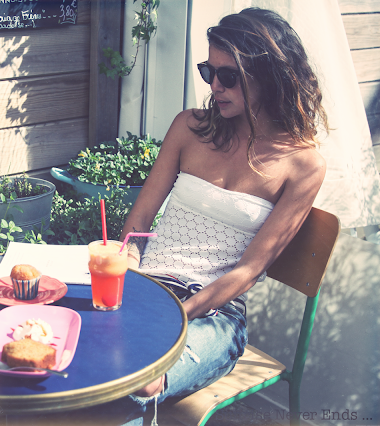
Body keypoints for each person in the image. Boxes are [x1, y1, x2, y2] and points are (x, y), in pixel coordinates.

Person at [116, 6, 329, 423]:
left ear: (270, 75)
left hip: (213, 315)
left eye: (228, 75)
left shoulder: (303, 165)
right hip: (147, 290)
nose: (215, 86)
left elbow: (248, 271)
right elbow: (139, 225)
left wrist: (178, 313)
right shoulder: (188, 128)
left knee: (138, 380)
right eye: (207, 71)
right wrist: (124, 268)